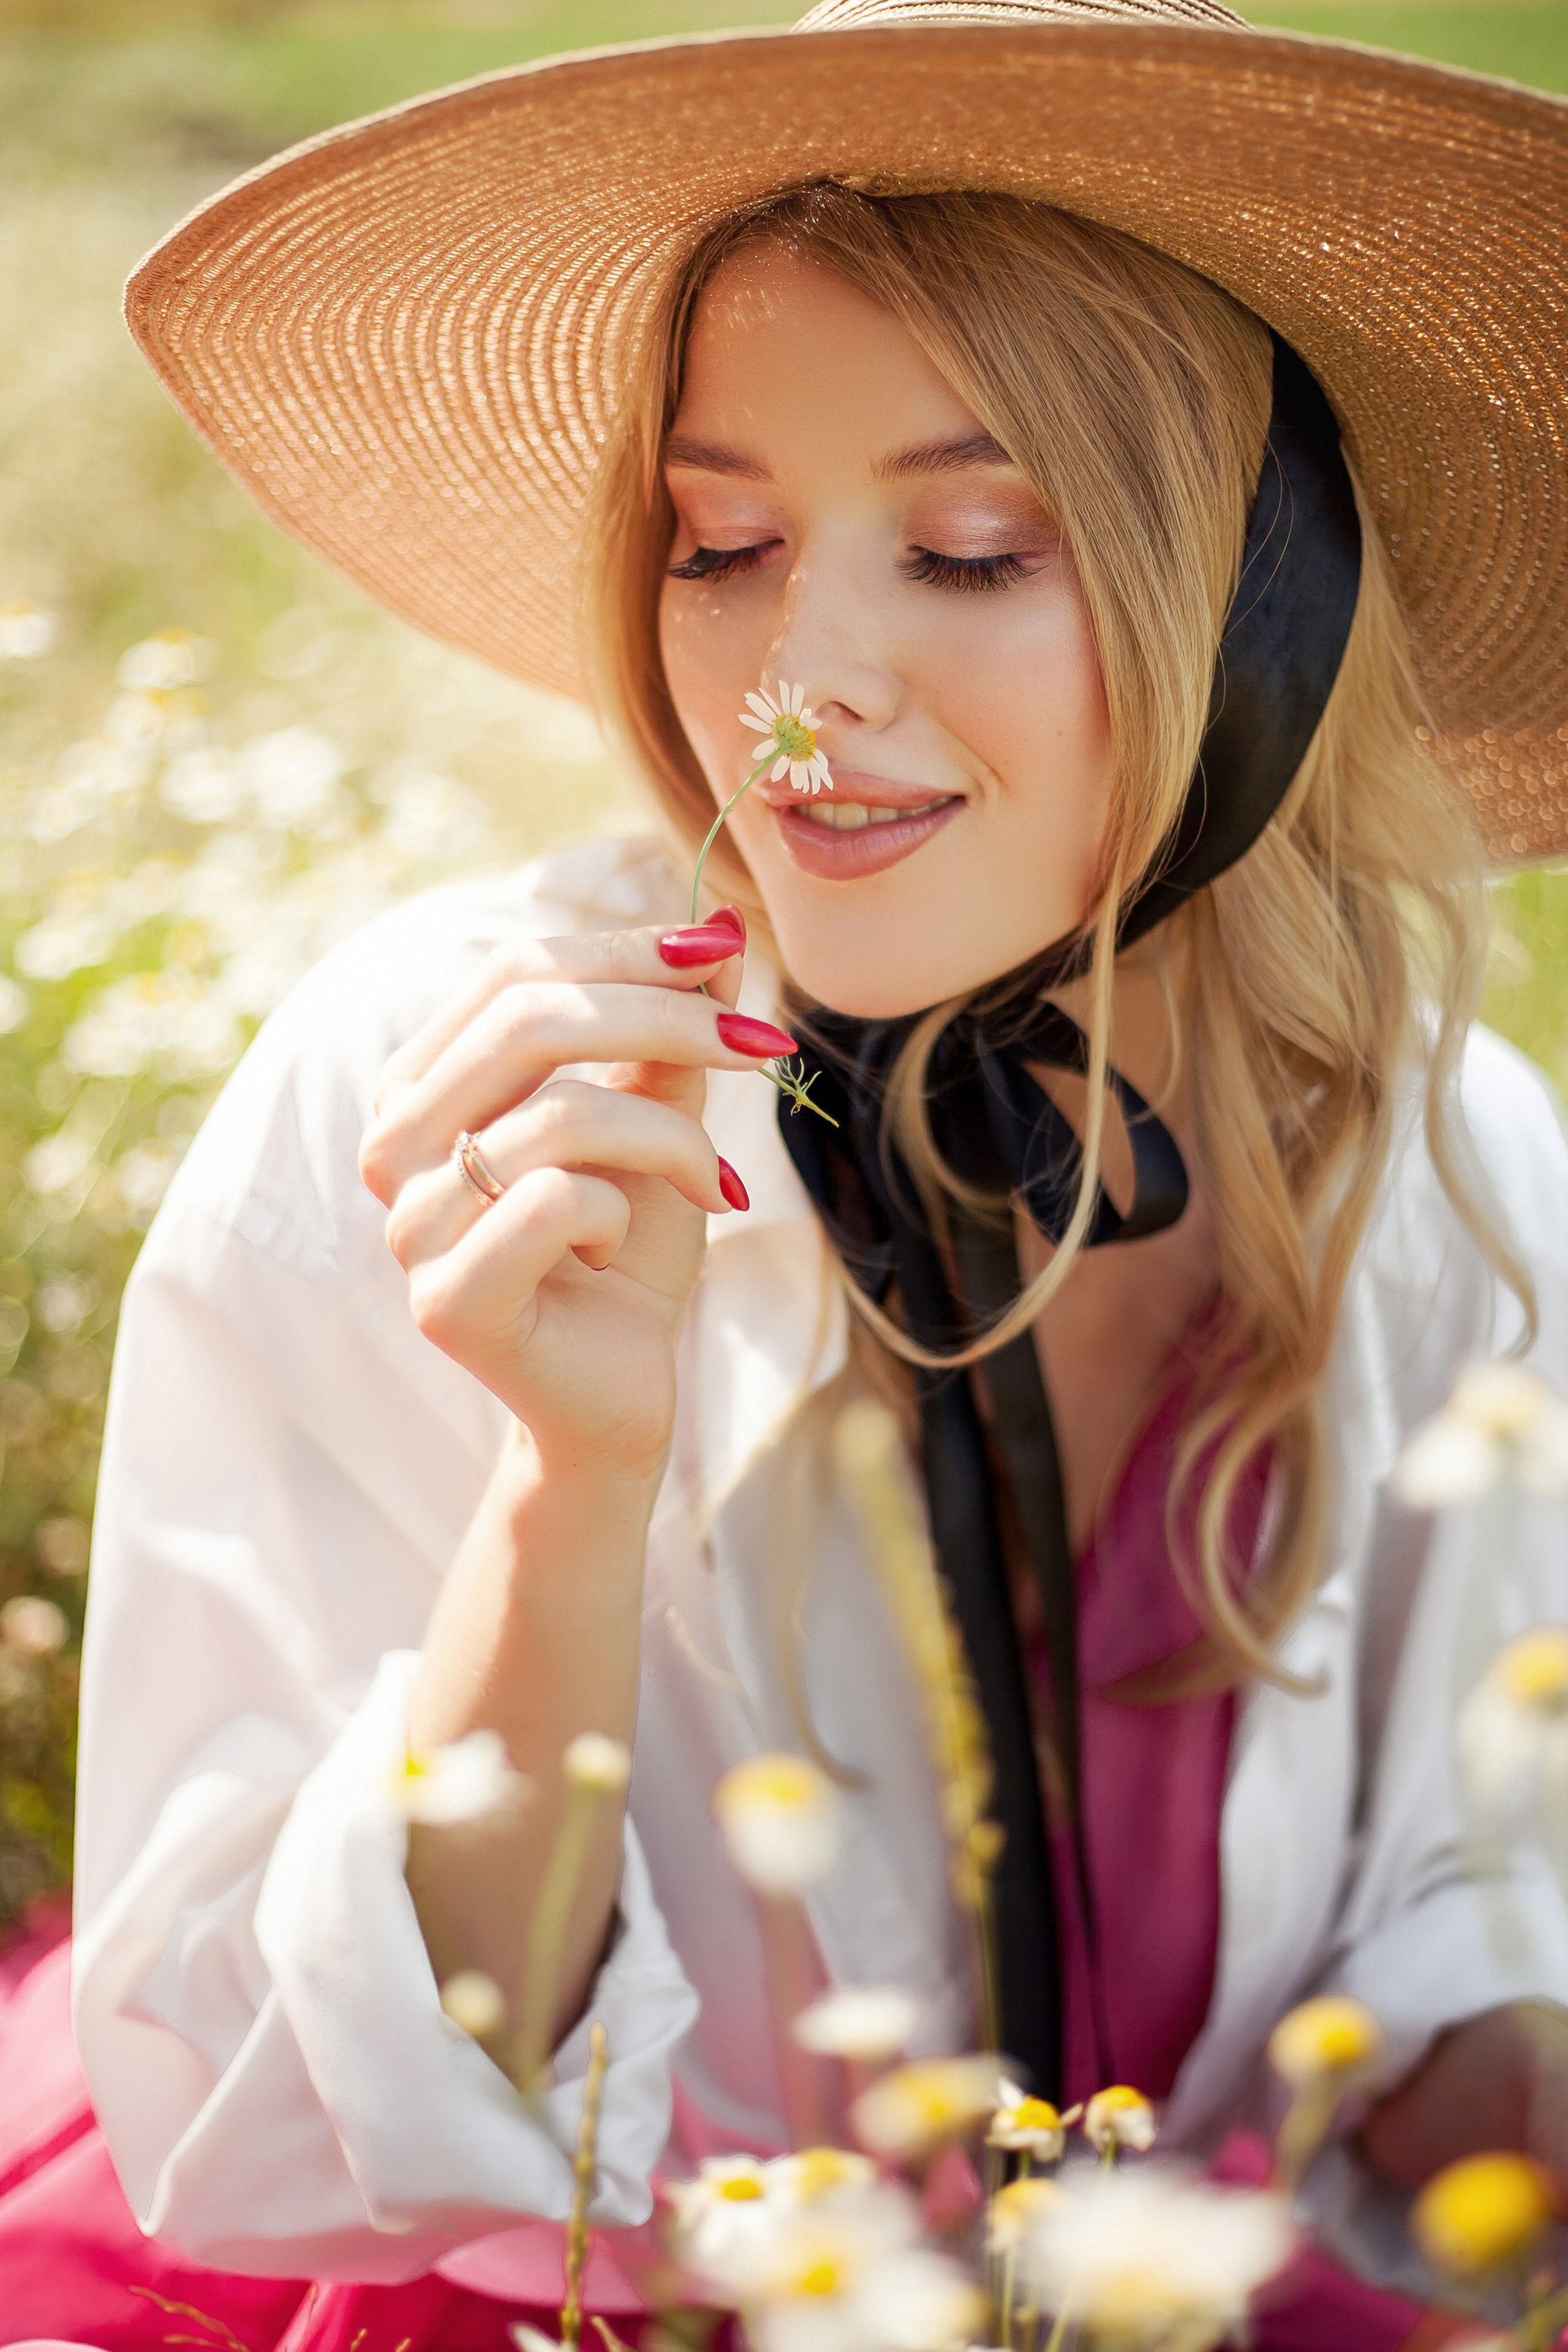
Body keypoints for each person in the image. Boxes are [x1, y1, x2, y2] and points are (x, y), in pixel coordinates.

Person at [4, 1, 1568, 2346]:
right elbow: (273, 2122)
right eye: (720, 539)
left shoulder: (1445, 1158)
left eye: (967, 548)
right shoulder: (440, 1097)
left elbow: (1447, 1962)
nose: (792, 689)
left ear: (1268, 603)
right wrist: (569, 1475)